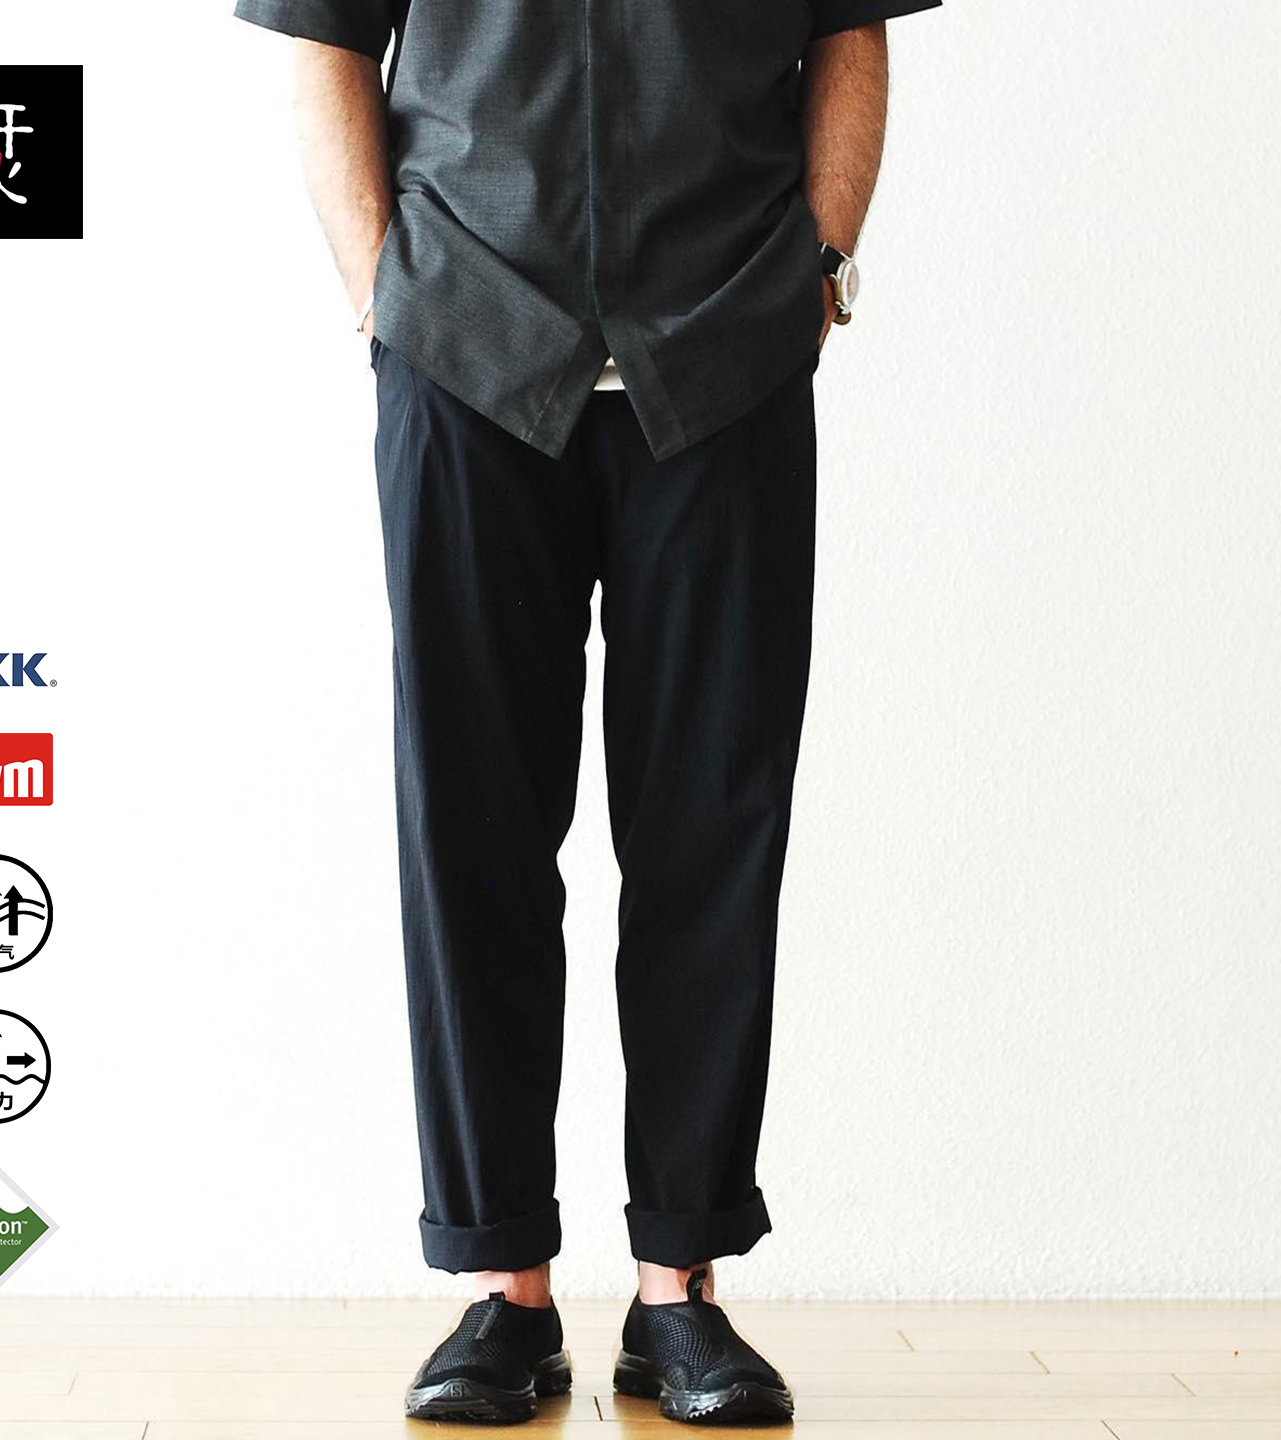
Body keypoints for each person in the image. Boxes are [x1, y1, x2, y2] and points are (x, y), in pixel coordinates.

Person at [237, 0, 939, 1422]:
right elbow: (321, 35)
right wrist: (385, 290)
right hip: (465, 342)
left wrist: (816, 275)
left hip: (726, 348)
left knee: (713, 827)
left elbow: (850, 32)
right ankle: (503, 1286)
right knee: (472, 830)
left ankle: (681, 1286)